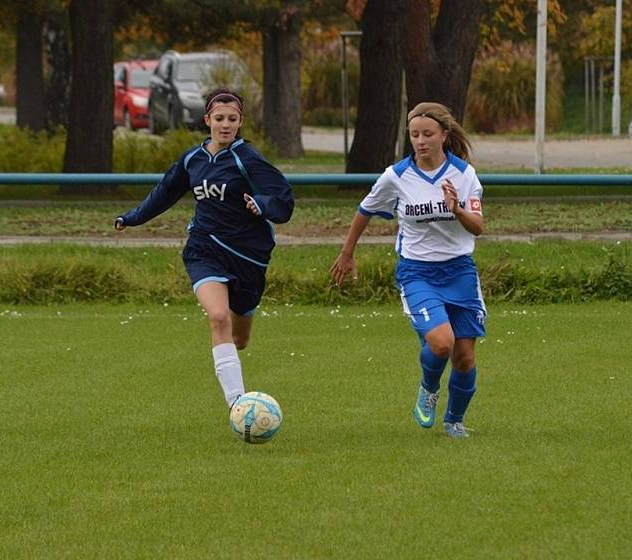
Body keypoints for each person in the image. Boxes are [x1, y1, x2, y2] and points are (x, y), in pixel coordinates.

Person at [115, 88, 294, 416]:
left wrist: (262, 205)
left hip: (248, 257)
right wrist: (132, 218)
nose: (225, 125)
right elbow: (164, 192)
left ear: (240, 123)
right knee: (217, 316)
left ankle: (237, 384)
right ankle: (237, 406)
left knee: (239, 340)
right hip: (204, 248)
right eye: (219, 119)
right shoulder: (192, 159)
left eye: (232, 119)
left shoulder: (247, 159)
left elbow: (283, 199)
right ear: (207, 120)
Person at [330, 101, 485, 439]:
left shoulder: (464, 175)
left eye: (427, 134)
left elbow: (477, 226)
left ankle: (454, 421)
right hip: (417, 272)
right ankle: (428, 388)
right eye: (414, 135)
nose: (420, 141)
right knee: (442, 343)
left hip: (460, 272)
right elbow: (365, 210)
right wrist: (347, 253)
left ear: (444, 135)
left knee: (464, 357)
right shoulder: (396, 176)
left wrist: (456, 209)